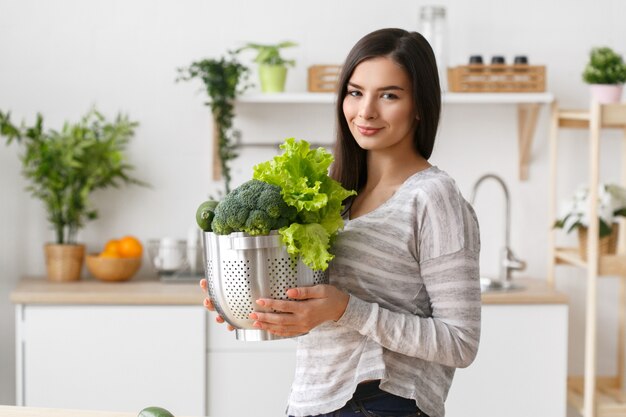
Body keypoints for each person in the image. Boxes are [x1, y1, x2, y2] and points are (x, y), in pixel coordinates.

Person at [200, 27, 481, 417]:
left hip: (381, 402)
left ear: (419, 106)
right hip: (312, 399)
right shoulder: (336, 194)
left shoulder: (434, 197)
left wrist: (346, 309)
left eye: (389, 95)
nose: (366, 111)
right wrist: (249, 303)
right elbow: (330, 318)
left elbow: (460, 342)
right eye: (355, 92)